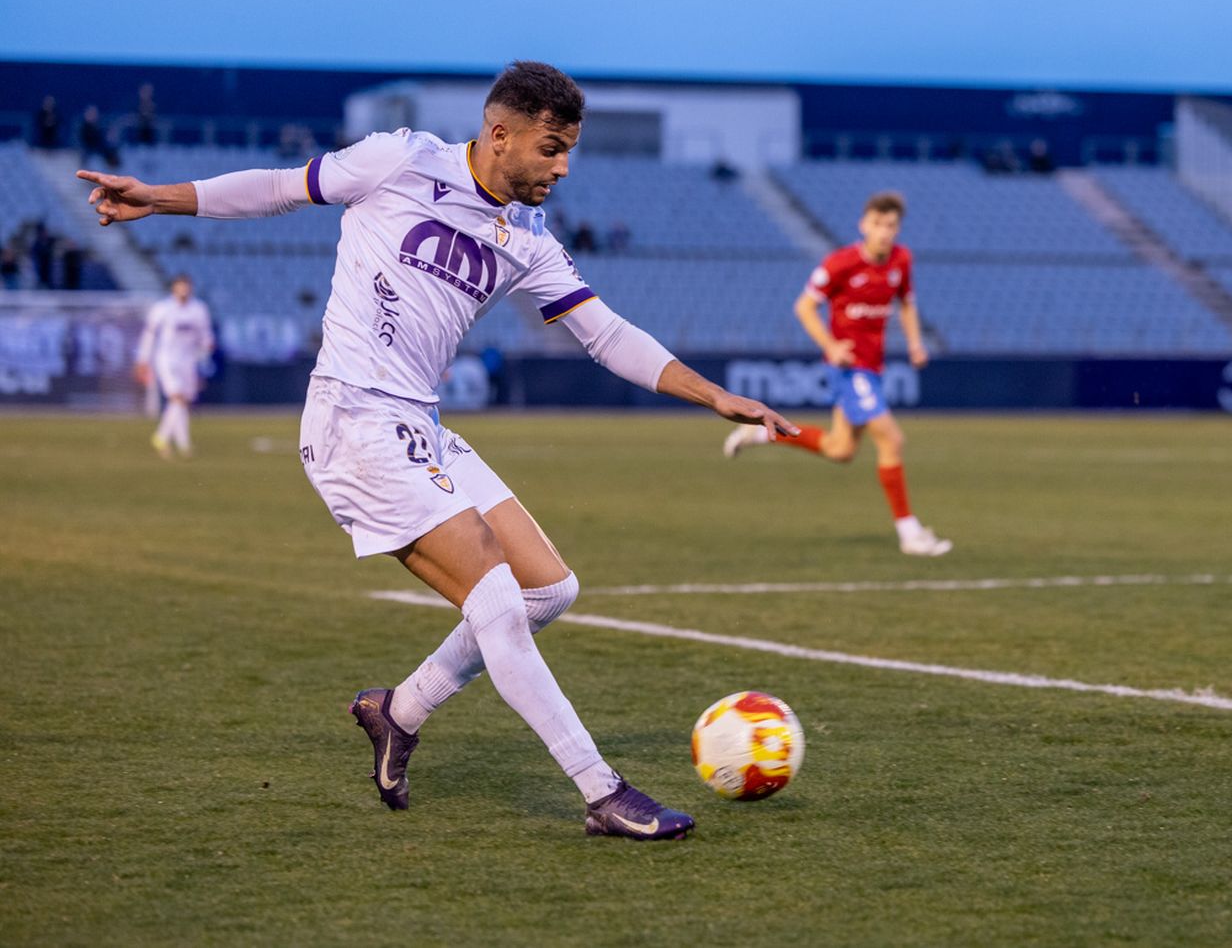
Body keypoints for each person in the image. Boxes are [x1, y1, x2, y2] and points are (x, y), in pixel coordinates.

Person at [77, 61, 796, 840]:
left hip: (420, 423)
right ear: (499, 134)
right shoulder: (402, 159)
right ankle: (602, 790)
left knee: (549, 590)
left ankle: (400, 709)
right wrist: (158, 195)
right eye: (550, 148)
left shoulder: (528, 237)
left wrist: (713, 394)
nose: (562, 167)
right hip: (352, 419)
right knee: (493, 599)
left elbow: (607, 334)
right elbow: (283, 186)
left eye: (569, 151)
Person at [724, 190, 951, 556]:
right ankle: (910, 533)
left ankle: (764, 434)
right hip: (848, 368)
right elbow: (804, 307)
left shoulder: (901, 261)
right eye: (877, 224)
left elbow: (907, 304)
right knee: (891, 440)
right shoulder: (840, 264)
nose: (884, 232)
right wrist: (830, 346)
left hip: (873, 369)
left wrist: (914, 344)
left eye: (891, 225)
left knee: (840, 449)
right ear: (864, 225)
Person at [135, 273, 215, 459]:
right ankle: (162, 437)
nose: (184, 290)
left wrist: (206, 354)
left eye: (187, 286)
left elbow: (205, 337)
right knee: (177, 398)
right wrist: (143, 359)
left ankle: (183, 445)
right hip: (166, 359)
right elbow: (149, 335)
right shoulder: (162, 309)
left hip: (188, 360)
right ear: (173, 288)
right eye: (180, 286)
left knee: (182, 403)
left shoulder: (198, 309)